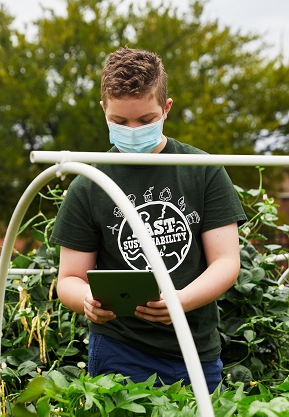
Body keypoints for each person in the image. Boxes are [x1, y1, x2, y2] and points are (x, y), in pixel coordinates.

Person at [50, 47, 246, 392]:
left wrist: (181, 300)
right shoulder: (89, 183)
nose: (133, 130)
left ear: (166, 109)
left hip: (195, 348)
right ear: (103, 111)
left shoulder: (201, 170)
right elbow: (68, 277)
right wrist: (85, 300)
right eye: (120, 122)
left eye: (146, 120)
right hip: (119, 350)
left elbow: (227, 262)